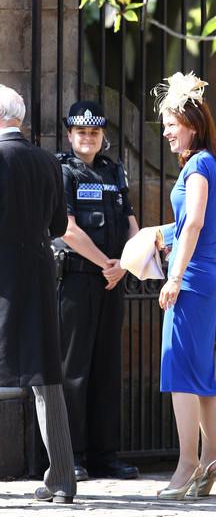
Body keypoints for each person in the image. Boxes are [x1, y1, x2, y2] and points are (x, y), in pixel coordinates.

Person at [152, 71, 216, 500]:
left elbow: (199, 223)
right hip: (207, 274)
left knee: (180, 371)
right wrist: (192, 244)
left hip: (191, 279)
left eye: (170, 124)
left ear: (191, 123)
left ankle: (188, 465)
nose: (167, 131)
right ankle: (210, 460)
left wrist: (173, 273)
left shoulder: (198, 165)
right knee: (201, 371)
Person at [52, 101, 139, 481]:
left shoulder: (114, 170)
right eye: (81, 132)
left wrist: (126, 264)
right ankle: (69, 456)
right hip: (76, 279)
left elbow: (133, 225)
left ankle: (106, 454)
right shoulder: (62, 170)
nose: (88, 138)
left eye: (95, 132)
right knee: (73, 370)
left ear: (103, 136)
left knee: (107, 368)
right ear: (70, 134)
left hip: (112, 279)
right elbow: (66, 229)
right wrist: (107, 262)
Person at [0, 85, 76, 504]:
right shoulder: (48, 161)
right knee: (46, 378)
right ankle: (62, 480)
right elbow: (59, 227)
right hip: (39, 273)